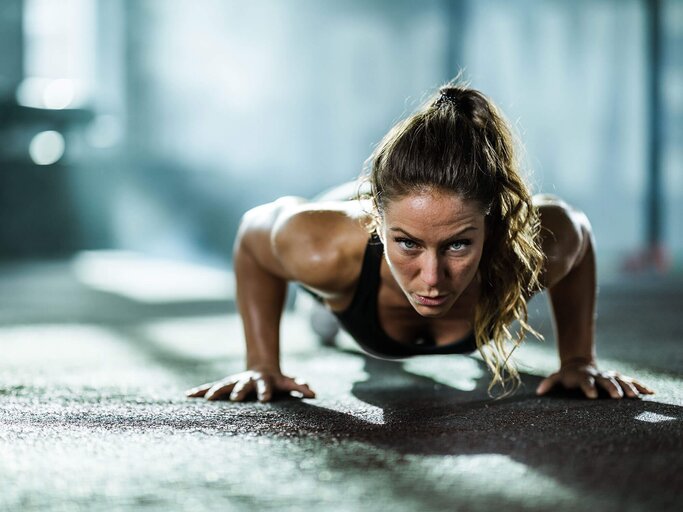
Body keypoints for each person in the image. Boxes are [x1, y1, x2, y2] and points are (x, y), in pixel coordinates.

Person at [186, 83, 654, 403]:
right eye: (408, 245)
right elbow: (252, 236)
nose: (432, 279)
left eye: (457, 246)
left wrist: (579, 359)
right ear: (378, 222)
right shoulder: (322, 247)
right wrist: (261, 364)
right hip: (347, 270)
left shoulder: (534, 242)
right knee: (325, 305)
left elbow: (580, 234)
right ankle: (329, 303)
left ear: (491, 226)